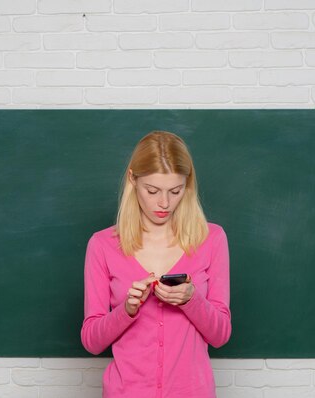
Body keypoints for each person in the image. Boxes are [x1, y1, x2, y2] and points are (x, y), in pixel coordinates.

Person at [81, 131, 231, 398]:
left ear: (188, 185)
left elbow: (220, 335)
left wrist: (191, 300)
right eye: (152, 191)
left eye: (175, 191)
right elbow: (92, 341)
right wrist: (126, 310)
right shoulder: (102, 245)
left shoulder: (212, 239)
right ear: (132, 180)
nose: (164, 203)